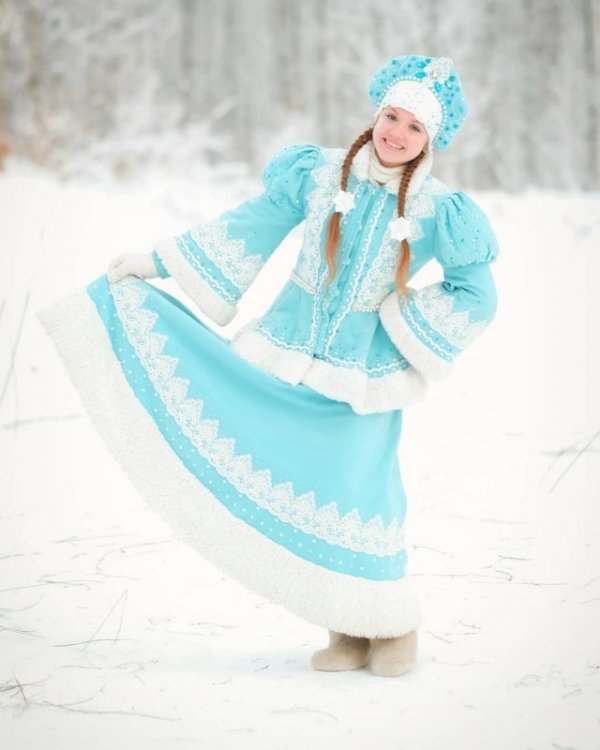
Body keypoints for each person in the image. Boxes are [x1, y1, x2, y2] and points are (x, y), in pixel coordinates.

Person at [37, 54, 499, 678]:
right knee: (308, 483)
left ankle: (392, 625)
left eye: (414, 127)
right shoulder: (320, 174)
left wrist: (401, 323)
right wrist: (159, 263)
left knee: (360, 491)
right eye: (392, 116)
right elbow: (250, 226)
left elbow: (477, 294)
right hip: (284, 355)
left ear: (431, 140)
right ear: (376, 113)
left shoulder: (441, 210)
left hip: (362, 380)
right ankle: (343, 627)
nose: (397, 133)